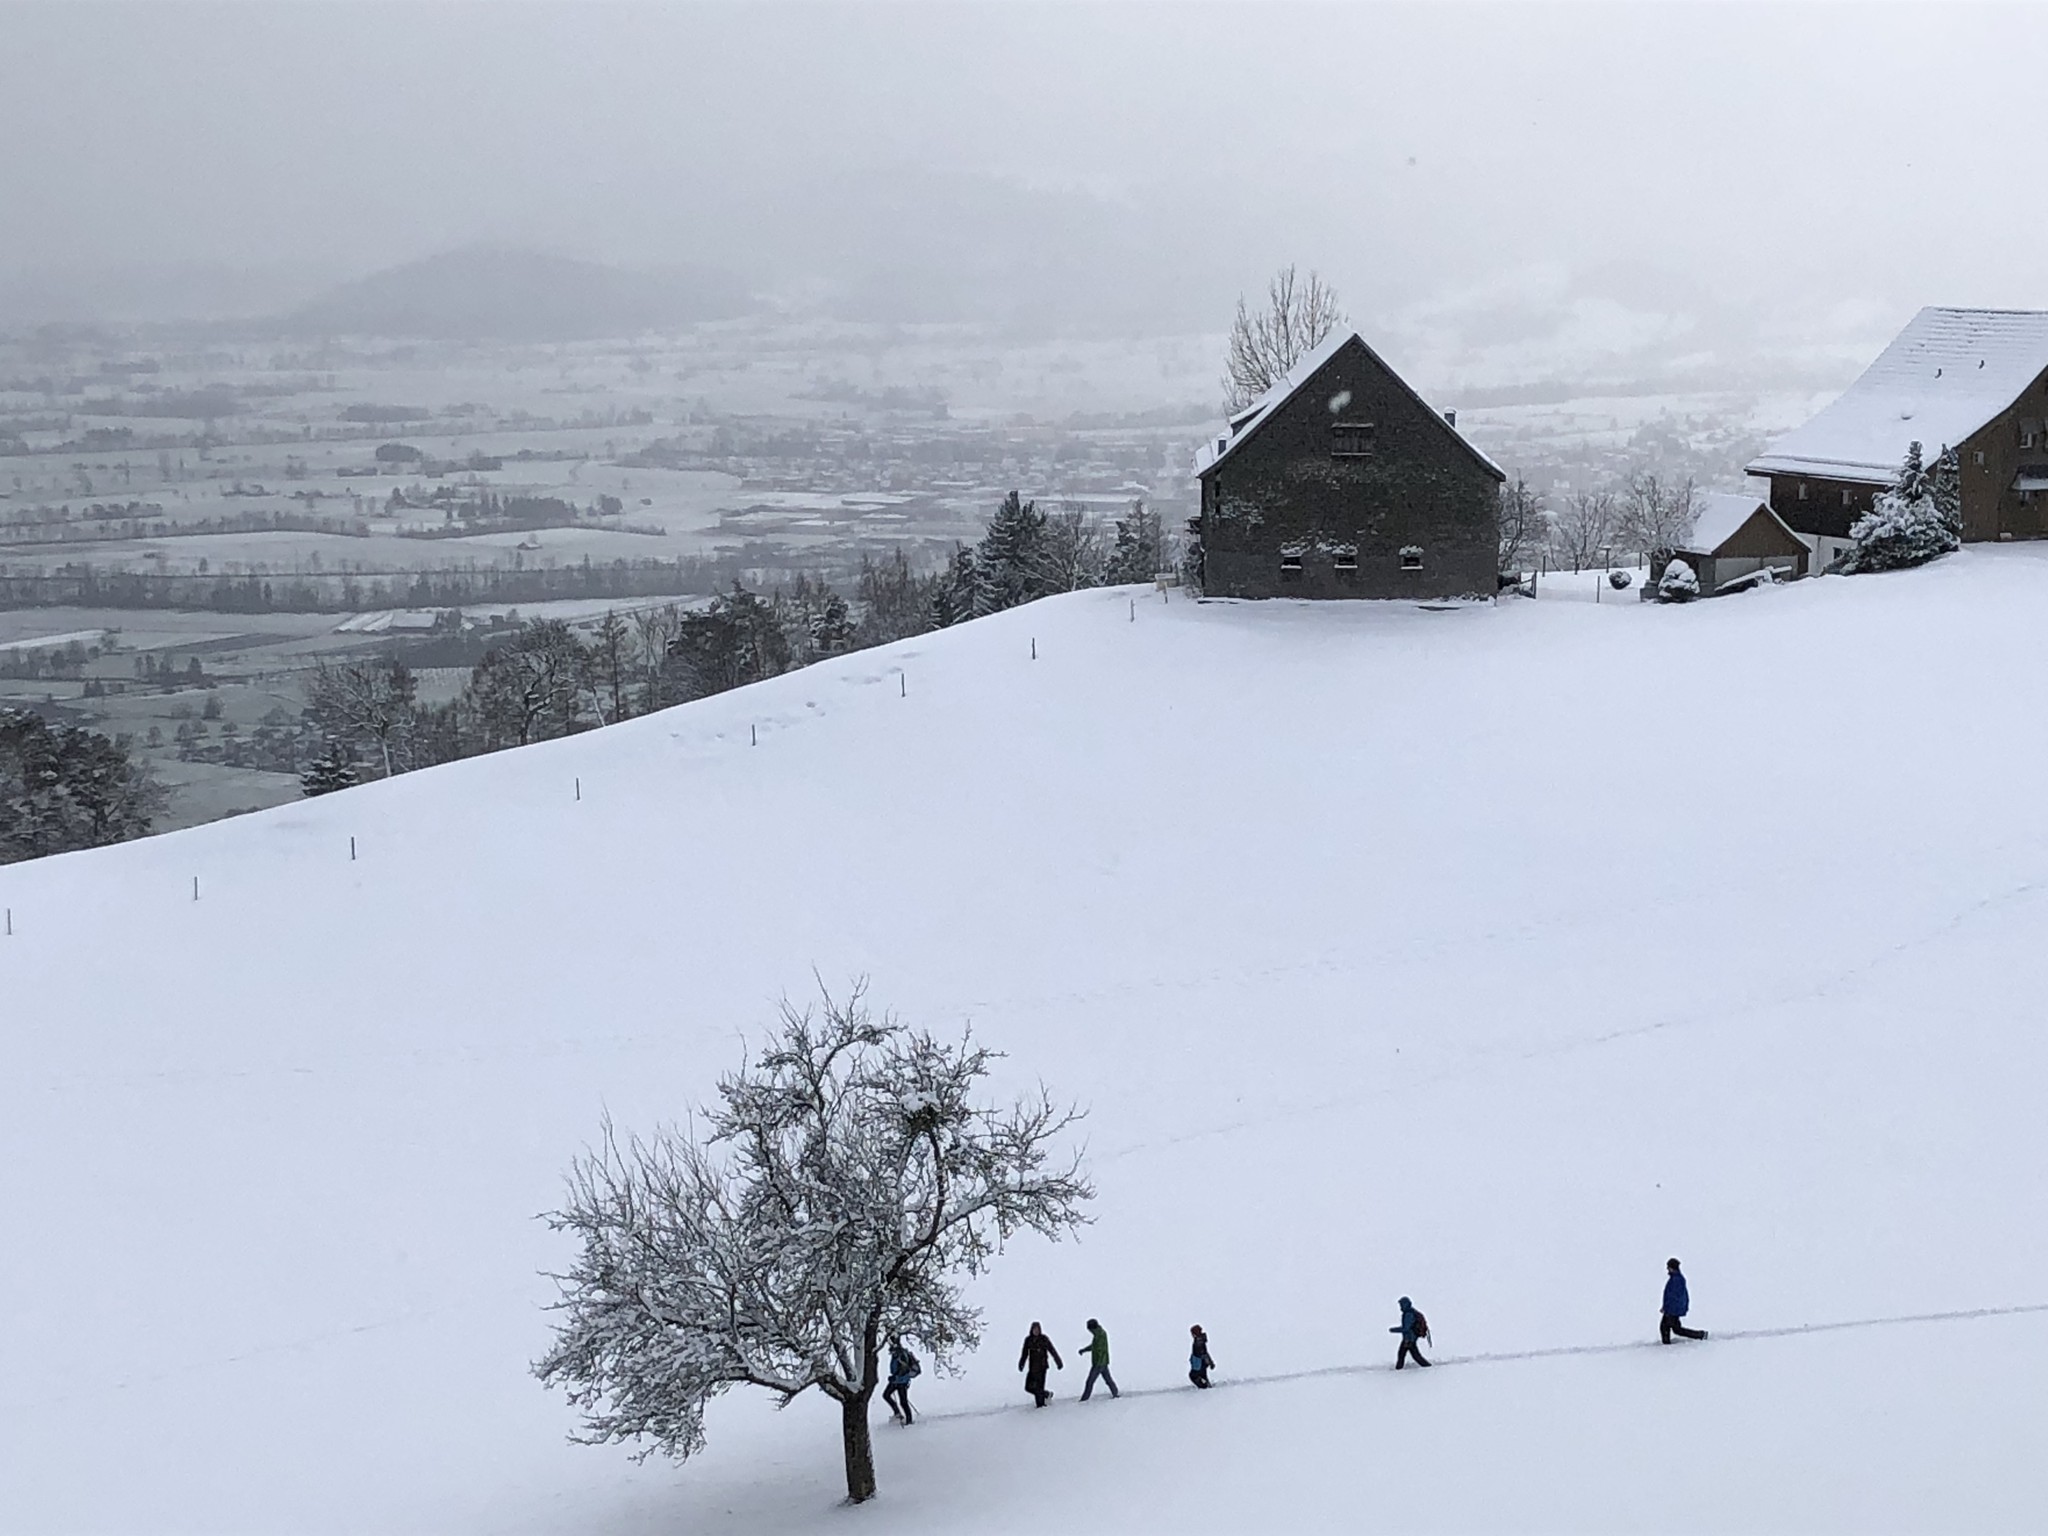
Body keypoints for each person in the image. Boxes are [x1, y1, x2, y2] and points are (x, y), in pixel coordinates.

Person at [1661, 1258, 1708, 1343]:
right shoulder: (1676, 1278)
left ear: (1672, 1267)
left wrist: (1668, 1309)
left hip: (1672, 1310)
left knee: (1666, 1327)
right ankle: (1700, 1335)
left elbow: (1673, 1297)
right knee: (1674, 1329)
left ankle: (1666, 1346)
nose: (1667, 1268)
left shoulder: (1677, 1280)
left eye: (1668, 1267)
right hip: (1672, 1309)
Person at [1018, 1321, 1063, 1406]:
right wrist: (1021, 1363)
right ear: (1031, 1330)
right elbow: (1024, 1353)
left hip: (1042, 1367)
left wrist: (1058, 1362)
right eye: (1034, 1329)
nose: (1036, 1331)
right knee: (1028, 1387)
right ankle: (1046, 1394)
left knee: (1039, 1388)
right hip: (1032, 1368)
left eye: (1038, 1329)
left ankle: (1041, 1407)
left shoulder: (1044, 1339)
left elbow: (1052, 1350)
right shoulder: (1028, 1340)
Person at [1078, 1318, 1119, 1400]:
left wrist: (1098, 1362)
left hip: (1098, 1363)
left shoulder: (1100, 1335)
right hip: (1102, 1362)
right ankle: (1115, 1393)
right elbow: (1094, 1347)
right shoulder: (1099, 1334)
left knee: (1090, 1382)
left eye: (1089, 1329)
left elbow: (1098, 1349)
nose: (1089, 1331)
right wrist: (1084, 1350)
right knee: (1108, 1380)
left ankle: (1084, 1399)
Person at [883, 1337, 921, 1425]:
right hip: (897, 1381)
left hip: (901, 1382)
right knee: (887, 1395)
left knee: (903, 1401)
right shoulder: (898, 1354)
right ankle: (898, 1414)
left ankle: (908, 1420)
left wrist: (895, 1378)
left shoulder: (901, 1355)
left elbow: (903, 1371)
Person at [1391, 1297, 1431, 1369]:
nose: (1400, 1306)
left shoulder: (1408, 1314)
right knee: (1412, 1355)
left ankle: (1398, 1370)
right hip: (1410, 1338)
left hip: (1409, 1339)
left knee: (1405, 1355)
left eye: (1401, 1304)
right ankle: (1427, 1366)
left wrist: (1393, 1330)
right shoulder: (1410, 1313)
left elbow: (1406, 1328)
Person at [1188, 1324, 1214, 1389]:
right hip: (1203, 1363)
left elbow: (1203, 1353)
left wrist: (1210, 1362)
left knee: (1193, 1376)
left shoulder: (1198, 1342)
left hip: (1199, 1364)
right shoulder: (1200, 1340)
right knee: (1203, 1376)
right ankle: (1207, 1387)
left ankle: (1203, 1388)